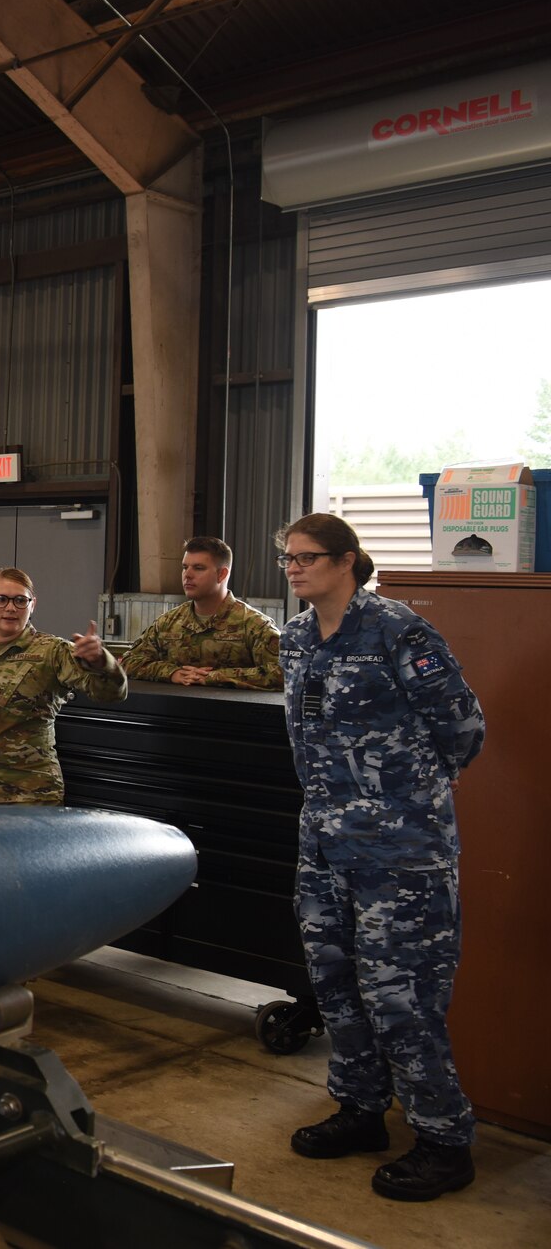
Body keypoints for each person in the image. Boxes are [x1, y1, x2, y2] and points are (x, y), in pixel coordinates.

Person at [276, 513, 484, 1202]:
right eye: (288, 557)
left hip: (400, 853)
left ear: (346, 562)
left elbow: (462, 728)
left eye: (306, 557)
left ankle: (443, 1138)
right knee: (336, 986)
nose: (294, 568)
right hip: (325, 845)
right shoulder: (300, 637)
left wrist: (403, 799)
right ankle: (361, 1109)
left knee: (404, 998)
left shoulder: (400, 631)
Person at [0, 567, 127, 805]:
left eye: (21, 600)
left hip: (28, 795)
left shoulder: (52, 652)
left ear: (33, 605)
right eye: (1, 599)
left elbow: (111, 694)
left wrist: (101, 661)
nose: (11, 608)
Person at [123, 535, 282, 689]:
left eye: (199, 568)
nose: (188, 575)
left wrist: (213, 677)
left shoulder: (255, 625)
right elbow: (129, 662)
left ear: (222, 574)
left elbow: (281, 673)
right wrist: (172, 673)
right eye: (185, 567)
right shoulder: (168, 622)